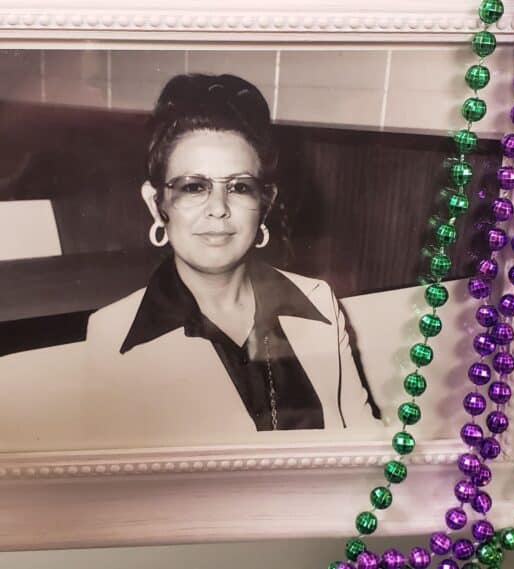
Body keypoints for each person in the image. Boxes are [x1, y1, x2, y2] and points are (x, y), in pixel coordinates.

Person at [82, 73, 381, 441]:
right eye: (194, 187)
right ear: (156, 203)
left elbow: (364, 444)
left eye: (239, 187)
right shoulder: (113, 333)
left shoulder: (318, 301)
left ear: (265, 202)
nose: (219, 208)